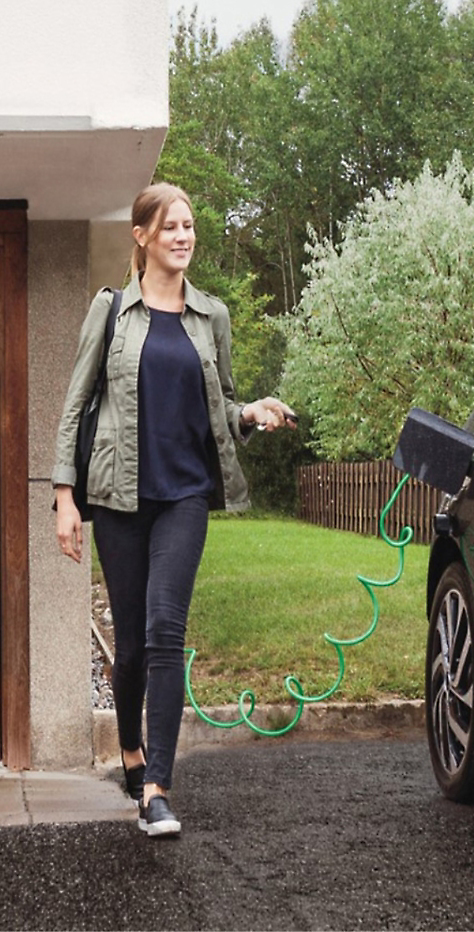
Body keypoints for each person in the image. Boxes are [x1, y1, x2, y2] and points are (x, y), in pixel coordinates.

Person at [52, 182, 296, 838]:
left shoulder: (211, 316)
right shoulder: (110, 313)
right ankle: (129, 751)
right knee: (129, 648)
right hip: (119, 498)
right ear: (142, 237)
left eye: (189, 227)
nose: (184, 237)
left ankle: (156, 785)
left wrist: (252, 413)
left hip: (184, 495)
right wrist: (64, 496)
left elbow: (222, 404)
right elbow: (75, 406)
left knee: (165, 633)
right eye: (170, 228)